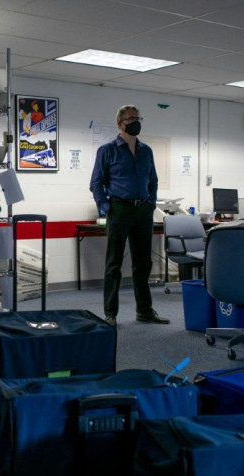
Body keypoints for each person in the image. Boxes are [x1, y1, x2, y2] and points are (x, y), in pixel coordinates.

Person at [89, 104, 169, 327]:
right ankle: (110, 314)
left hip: (143, 210)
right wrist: (106, 207)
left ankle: (144, 311)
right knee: (114, 264)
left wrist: (151, 203)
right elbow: (96, 183)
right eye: (131, 119)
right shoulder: (107, 150)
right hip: (119, 209)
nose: (136, 122)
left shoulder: (146, 151)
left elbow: (153, 180)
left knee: (143, 263)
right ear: (120, 124)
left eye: (138, 118)